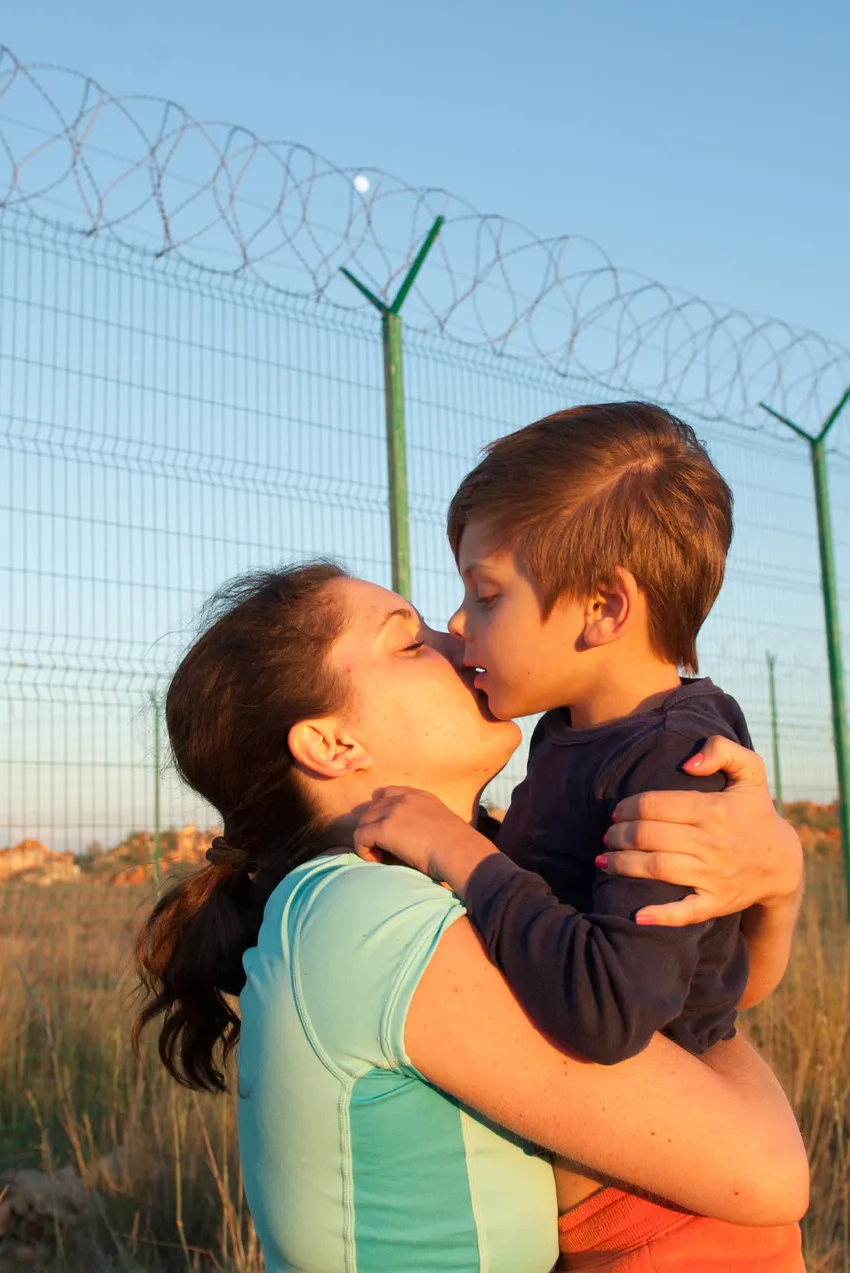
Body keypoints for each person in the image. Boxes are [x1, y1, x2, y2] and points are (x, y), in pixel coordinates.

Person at [137, 563, 807, 1272]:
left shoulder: (398, 895)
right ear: (332, 745)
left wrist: (775, 883)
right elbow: (768, 1170)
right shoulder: (373, 919)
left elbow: (687, 1009)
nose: (458, 634)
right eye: (409, 642)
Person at [355, 402, 803, 1268]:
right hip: (630, 1192)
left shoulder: (679, 765)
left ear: (603, 607)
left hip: (678, 1228)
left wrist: (461, 851)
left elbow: (611, 1010)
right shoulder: (577, 730)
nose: (458, 620)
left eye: (487, 594)